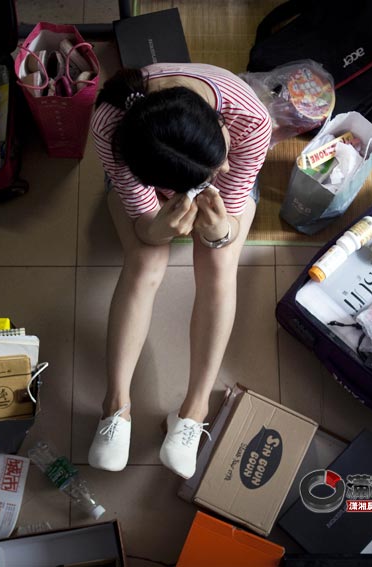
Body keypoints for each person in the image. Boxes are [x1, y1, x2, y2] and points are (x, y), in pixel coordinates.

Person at [88, 62, 272, 479]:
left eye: (217, 160)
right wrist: (157, 229)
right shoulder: (110, 129)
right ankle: (115, 405)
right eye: (209, 172)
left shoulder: (250, 119)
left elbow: (232, 188)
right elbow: (143, 222)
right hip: (152, 177)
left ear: (220, 122)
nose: (219, 171)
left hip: (212, 187)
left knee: (220, 264)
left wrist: (219, 232)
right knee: (145, 261)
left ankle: (194, 410)